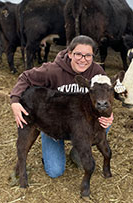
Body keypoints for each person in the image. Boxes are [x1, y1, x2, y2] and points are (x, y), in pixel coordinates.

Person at [10, 35, 114, 178]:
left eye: (88, 55)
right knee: (55, 171)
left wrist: (109, 115)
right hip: (54, 123)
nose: (83, 59)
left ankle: (78, 150)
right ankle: (49, 150)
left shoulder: (96, 72)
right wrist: (15, 101)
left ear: (93, 56)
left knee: (104, 124)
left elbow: (106, 94)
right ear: (70, 53)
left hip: (80, 124)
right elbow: (25, 77)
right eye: (78, 54)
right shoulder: (52, 70)